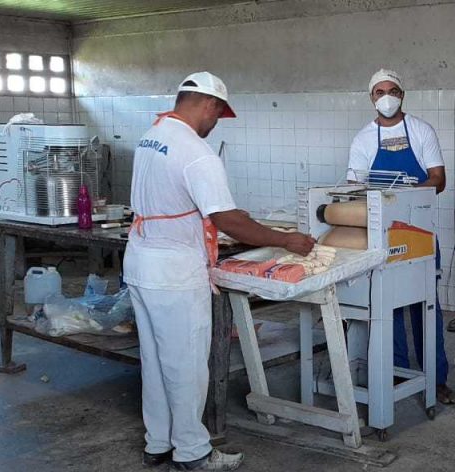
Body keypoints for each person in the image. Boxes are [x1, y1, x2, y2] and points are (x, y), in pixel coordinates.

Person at [124, 71, 315, 471]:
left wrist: (225, 216)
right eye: (217, 116)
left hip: (141, 261)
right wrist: (287, 240)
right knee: (187, 363)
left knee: (156, 360)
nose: (214, 125)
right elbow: (228, 220)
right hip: (174, 272)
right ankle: (193, 452)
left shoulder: (152, 134)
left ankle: (158, 442)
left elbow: (182, 199)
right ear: (209, 105)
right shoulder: (196, 151)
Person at [346, 69, 455, 405]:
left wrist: (403, 192)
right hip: (381, 234)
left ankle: (436, 380)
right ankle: (396, 373)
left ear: (402, 94)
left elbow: (438, 178)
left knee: (426, 307)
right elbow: (354, 187)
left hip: (420, 232)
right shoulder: (363, 139)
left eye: (392, 90)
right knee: (388, 306)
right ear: (371, 98)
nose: (386, 97)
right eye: (379, 91)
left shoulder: (421, 131)